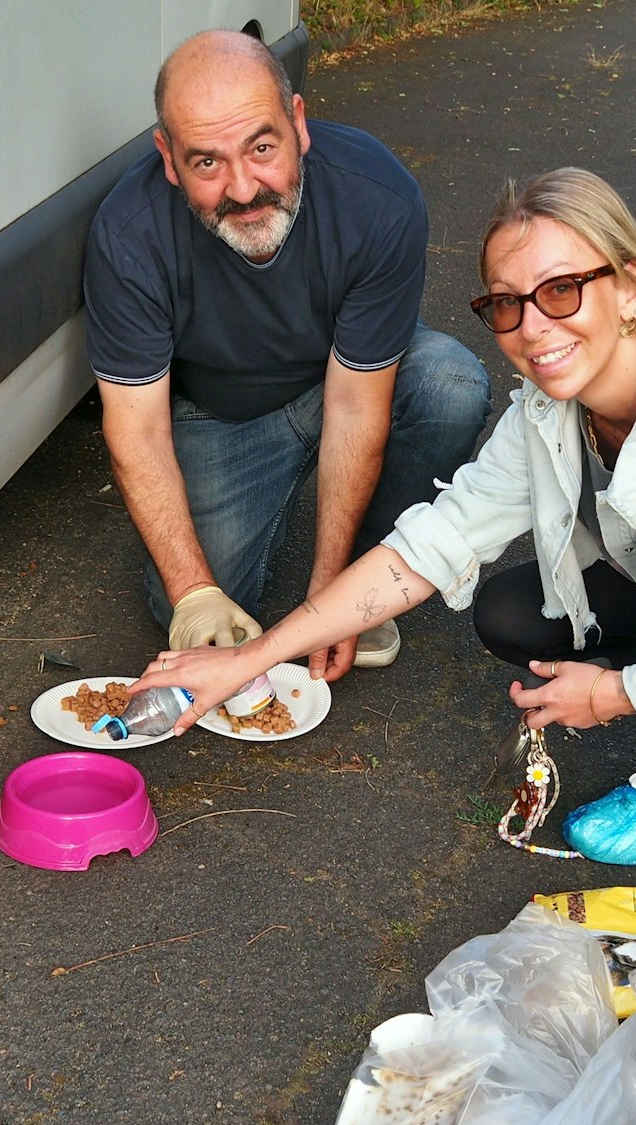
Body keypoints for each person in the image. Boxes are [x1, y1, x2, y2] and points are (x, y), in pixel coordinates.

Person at [131, 167, 636, 866]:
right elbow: (436, 541)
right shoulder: (550, 405)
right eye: (506, 304)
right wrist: (255, 658)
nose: (533, 328)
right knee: (510, 613)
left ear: (630, 288)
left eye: (561, 290)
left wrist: (613, 694)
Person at [84, 30, 490, 679]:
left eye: (262, 148)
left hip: (348, 375)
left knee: (449, 384)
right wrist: (194, 591)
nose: (245, 189)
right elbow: (137, 428)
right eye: (207, 163)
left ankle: (374, 567)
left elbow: (356, 406)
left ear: (298, 123)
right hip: (223, 411)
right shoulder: (128, 233)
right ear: (168, 158)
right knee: (192, 612)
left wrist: (334, 597)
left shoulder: (378, 197)